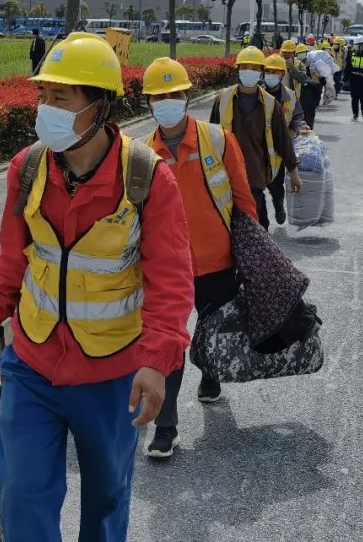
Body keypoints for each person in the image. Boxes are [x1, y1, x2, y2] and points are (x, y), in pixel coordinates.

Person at [0, 33, 193, 542]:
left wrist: (157, 363)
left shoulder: (147, 179)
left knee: (107, 500)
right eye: (42, 96)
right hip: (33, 365)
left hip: (113, 374)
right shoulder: (26, 170)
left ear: (98, 106)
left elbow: (171, 282)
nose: (46, 109)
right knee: (23, 494)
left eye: (61, 98)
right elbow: (13, 254)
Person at [141, 58, 258, 459]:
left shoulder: (218, 140)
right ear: (150, 104)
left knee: (212, 333)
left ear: (187, 98)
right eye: (160, 97)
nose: (168, 102)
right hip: (168, 270)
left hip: (216, 262)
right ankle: (166, 428)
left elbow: (243, 201)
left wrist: (251, 252)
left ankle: (210, 374)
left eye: (175, 95)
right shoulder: (141, 156)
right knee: (168, 345)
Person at [211, 45, 302, 229]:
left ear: (260, 72)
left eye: (254, 68)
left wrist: (294, 172)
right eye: (244, 67)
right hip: (226, 173)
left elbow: (282, 139)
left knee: (259, 224)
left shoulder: (270, 104)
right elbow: (210, 137)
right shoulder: (223, 99)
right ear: (238, 70)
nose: (249, 72)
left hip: (255, 173)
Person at [263, 54, 308, 137]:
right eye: (267, 71)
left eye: (274, 72)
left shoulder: (291, 95)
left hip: (283, 143)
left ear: (282, 74)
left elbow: (297, 117)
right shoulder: (257, 93)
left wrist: (300, 128)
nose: (270, 75)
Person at [296, 44, 325, 129]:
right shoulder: (296, 64)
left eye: (302, 52)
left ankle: (309, 131)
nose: (301, 54)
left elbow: (319, 81)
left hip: (311, 92)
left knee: (309, 115)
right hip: (299, 93)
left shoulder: (313, 64)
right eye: (299, 53)